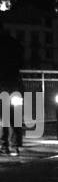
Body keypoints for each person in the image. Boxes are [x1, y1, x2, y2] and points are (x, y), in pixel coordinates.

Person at [0, 19, 25, 156]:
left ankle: (4, 145)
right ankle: (14, 145)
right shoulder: (15, 44)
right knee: (13, 115)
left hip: (2, 83)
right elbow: (22, 62)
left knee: (3, 115)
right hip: (14, 82)